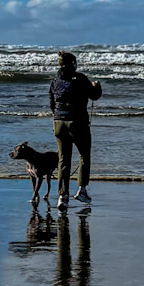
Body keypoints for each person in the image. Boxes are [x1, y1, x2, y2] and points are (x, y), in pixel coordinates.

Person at [49, 50, 101, 210]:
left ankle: (62, 197)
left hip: (59, 123)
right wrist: (97, 86)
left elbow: (52, 104)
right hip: (77, 122)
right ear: (73, 64)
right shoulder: (80, 79)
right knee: (84, 155)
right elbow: (94, 96)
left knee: (63, 159)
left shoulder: (55, 81)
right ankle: (82, 190)